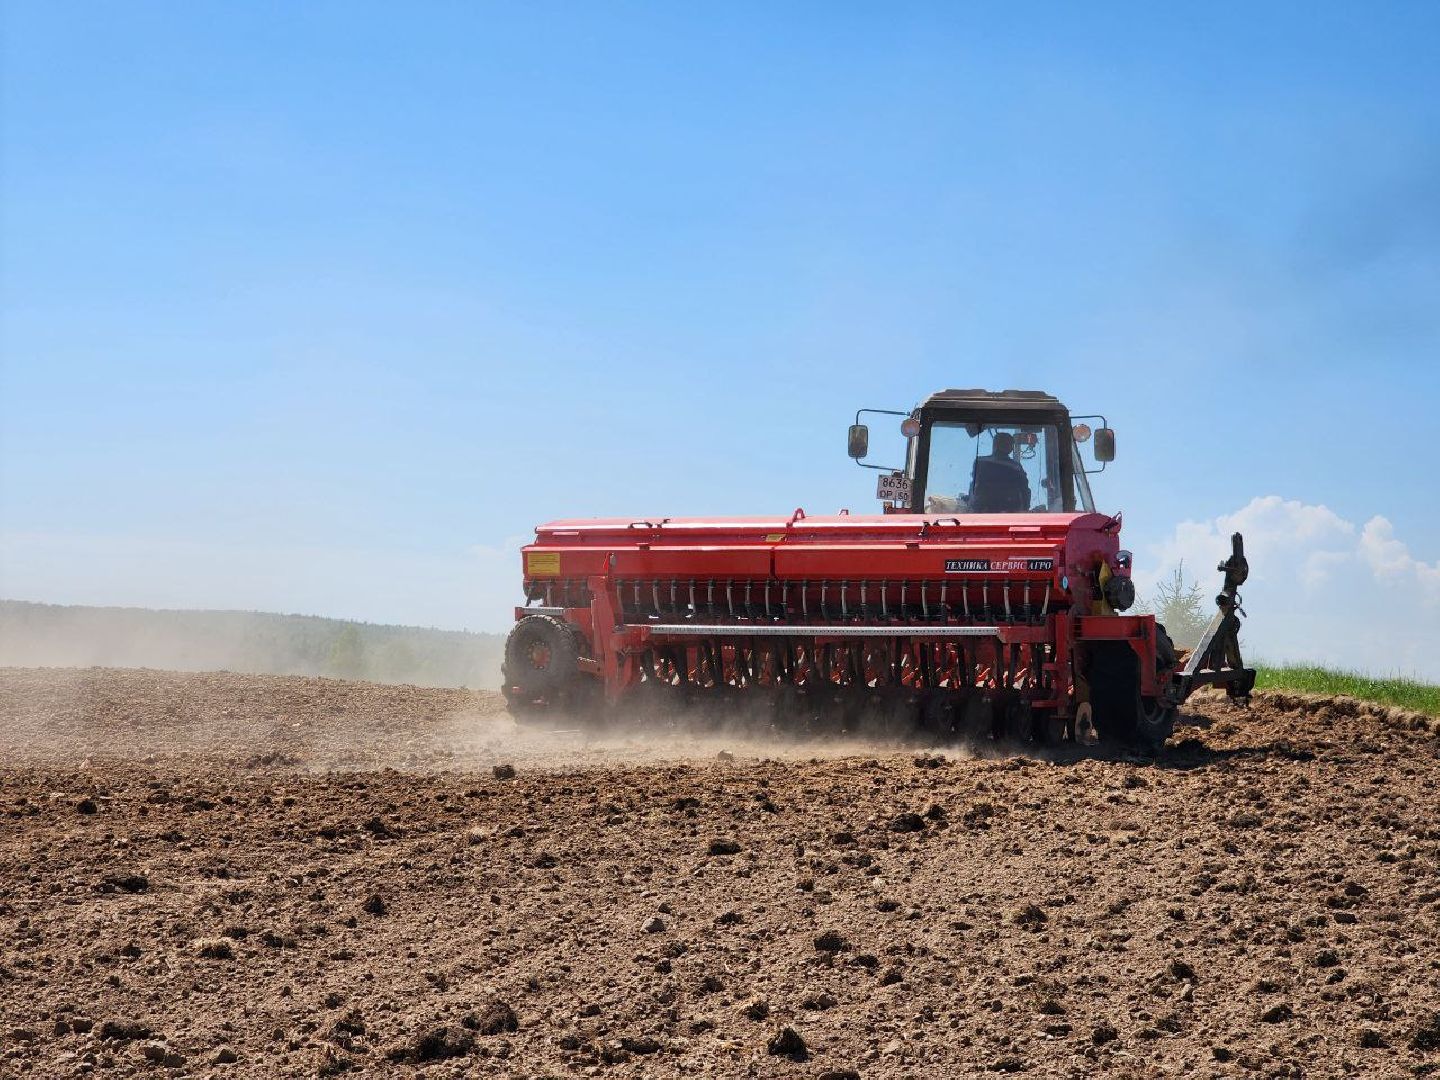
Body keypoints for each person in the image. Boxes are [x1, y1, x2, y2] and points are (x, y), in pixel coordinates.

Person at [968, 431, 1031, 512]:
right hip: (1011, 514)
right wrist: (1025, 510)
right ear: (1010, 448)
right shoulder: (1016, 467)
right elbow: (1025, 492)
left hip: (982, 513)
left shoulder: (980, 462)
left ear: (994, 446)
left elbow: (974, 487)